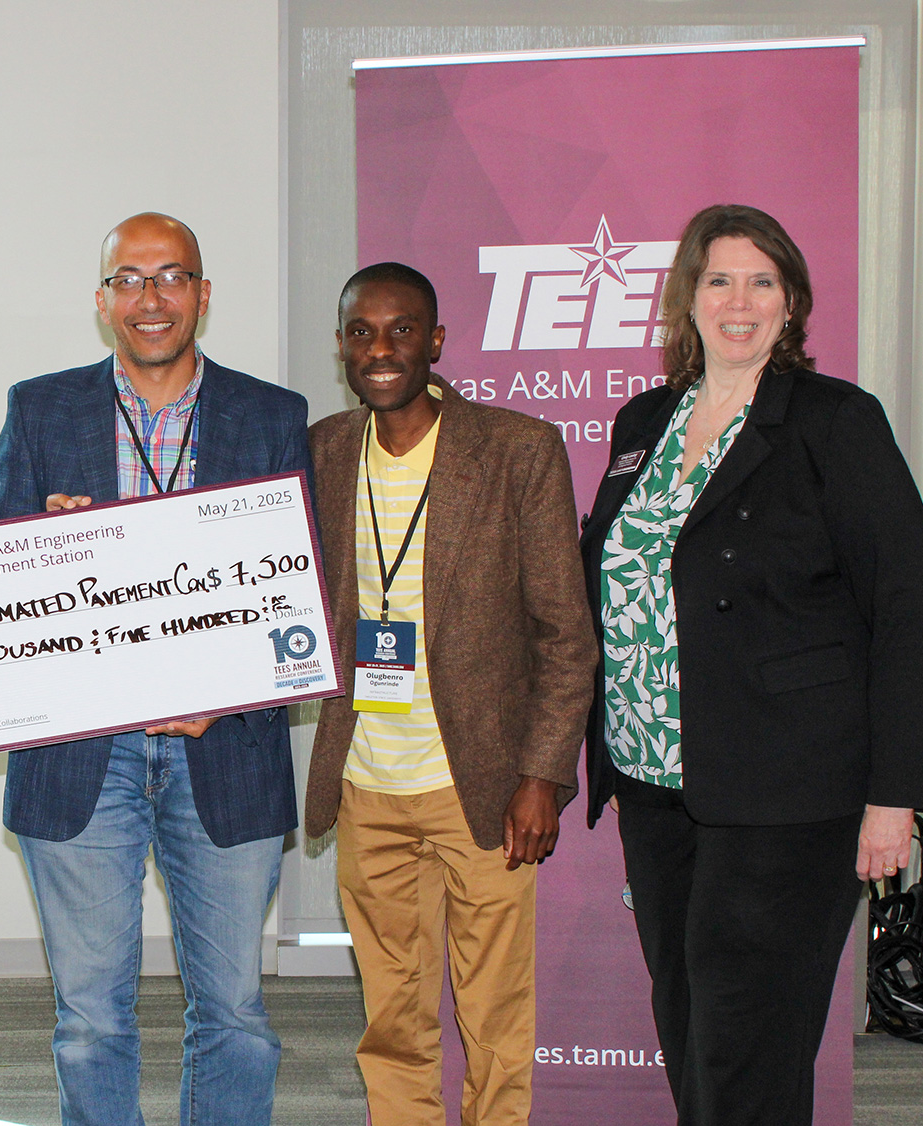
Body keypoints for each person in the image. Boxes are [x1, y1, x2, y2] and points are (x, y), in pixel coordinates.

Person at [580, 204, 923, 1126]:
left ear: (791, 305)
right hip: (658, 784)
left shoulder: (833, 422)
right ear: (687, 298)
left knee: (747, 1040)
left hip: (791, 789)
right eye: (718, 280)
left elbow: (910, 601)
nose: (738, 302)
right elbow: (614, 581)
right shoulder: (645, 422)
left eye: (761, 283)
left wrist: (894, 792)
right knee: (691, 1019)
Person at [0, 213, 308, 1126]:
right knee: (90, 1017)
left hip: (226, 748)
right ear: (101, 301)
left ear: (204, 295)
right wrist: (46, 542)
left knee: (236, 1013)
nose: (150, 298)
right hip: (88, 751)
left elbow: (299, 590)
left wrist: (230, 692)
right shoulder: (41, 407)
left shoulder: (271, 415)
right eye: (129, 279)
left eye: (171, 278)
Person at [304, 263, 595, 1126]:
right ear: (343, 347)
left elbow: (566, 634)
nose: (382, 349)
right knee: (391, 1019)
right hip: (366, 785)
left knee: (495, 1016)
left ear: (436, 342)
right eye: (363, 332)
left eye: (402, 331)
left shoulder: (517, 449)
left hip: (486, 785)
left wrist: (542, 773)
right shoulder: (322, 449)